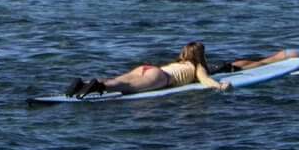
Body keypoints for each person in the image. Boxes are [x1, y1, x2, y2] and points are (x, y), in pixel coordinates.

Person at [66, 41, 228, 97]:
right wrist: (220, 86)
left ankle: (84, 84)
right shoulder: (197, 66)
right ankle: (98, 87)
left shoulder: (178, 62)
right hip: (160, 77)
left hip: (147, 68)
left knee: (118, 80)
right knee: (125, 87)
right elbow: (206, 80)